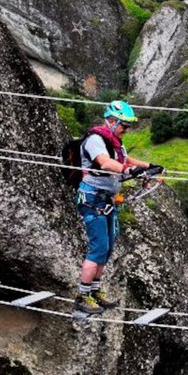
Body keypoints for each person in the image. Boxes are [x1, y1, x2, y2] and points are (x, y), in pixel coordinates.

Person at [74, 100, 163, 315]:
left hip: (107, 201)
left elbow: (126, 159)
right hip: (92, 200)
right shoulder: (95, 140)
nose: (126, 129)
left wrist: (147, 167)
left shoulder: (115, 142)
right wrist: (127, 170)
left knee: (106, 249)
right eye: (124, 125)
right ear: (112, 120)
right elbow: (105, 163)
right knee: (97, 249)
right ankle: (83, 296)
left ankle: (95, 291)